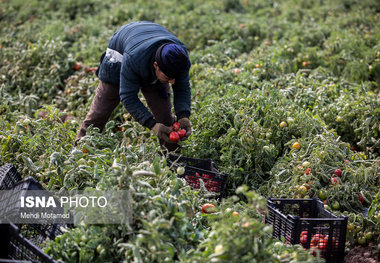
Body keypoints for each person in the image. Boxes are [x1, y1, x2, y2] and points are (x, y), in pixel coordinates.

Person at [75, 21, 192, 151]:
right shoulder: (133, 58)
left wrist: (183, 115)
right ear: (156, 65)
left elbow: (182, 88)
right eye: (169, 78)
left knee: (165, 119)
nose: (173, 82)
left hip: (145, 43)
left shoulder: (179, 58)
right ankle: (79, 151)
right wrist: (152, 125)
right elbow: (128, 96)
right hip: (120, 54)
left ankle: (173, 158)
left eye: (175, 77)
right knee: (100, 112)